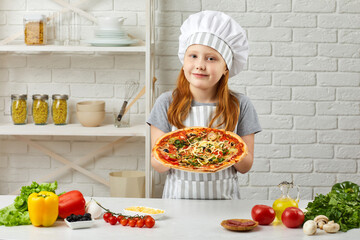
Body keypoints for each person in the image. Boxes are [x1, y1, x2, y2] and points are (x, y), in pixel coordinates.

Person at [147, 10, 262, 199]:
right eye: (193, 56)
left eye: (211, 58)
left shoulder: (241, 104)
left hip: (225, 204)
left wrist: (226, 148)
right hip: (177, 203)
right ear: (183, 62)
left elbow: (245, 167)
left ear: (226, 67)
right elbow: (157, 165)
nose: (200, 65)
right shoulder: (166, 102)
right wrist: (185, 150)